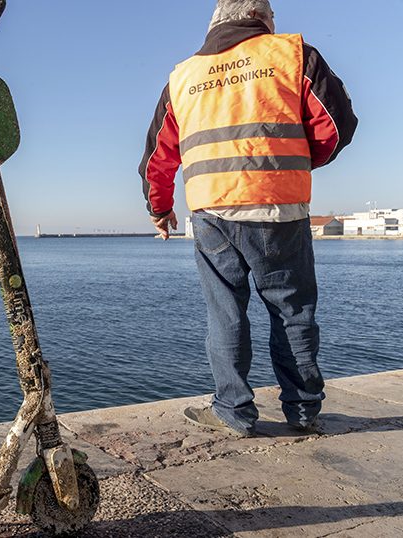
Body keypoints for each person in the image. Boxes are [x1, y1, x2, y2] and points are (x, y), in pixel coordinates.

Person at [138, 0, 357, 437]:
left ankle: (234, 412)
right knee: (292, 311)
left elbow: (158, 157)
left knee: (225, 315)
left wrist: (160, 209)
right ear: (260, 16)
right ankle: (302, 411)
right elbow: (336, 124)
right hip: (278, 207)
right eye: (273, 15)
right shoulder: (293, 54)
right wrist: (294, 163)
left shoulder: (182, 76)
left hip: (212, 212)